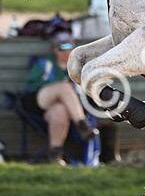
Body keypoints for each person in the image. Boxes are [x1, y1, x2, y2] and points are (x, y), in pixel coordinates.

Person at [24, 32, 94, 161]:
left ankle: (55, 155)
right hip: (40, 100)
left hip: (65, 109)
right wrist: (54, 85)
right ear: (55, 50)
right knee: (63, 87)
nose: (66, 51)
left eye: (69, 47)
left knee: (59, 110)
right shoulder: (44, 64)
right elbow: (30, 85)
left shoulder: (79, 68)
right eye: (62, 48)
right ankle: (82, 124)